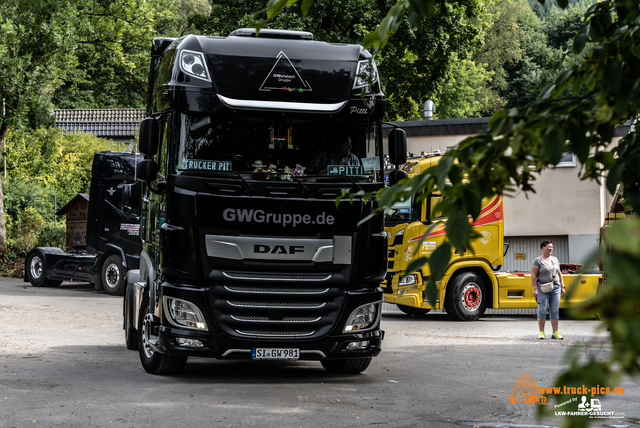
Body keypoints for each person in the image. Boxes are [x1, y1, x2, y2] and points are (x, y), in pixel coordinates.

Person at [531, 240, 565, 340]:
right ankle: (541, 332)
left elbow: (559, 274)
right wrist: (535, 289)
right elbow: (533, 276)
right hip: (543, 287)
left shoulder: (555, 259)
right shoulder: (538, 260)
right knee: (542, 309)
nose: (551, 249)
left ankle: (555, 332)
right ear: (543, 248)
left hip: (556, 287)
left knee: (554, 310)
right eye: (548, 247)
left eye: (551, 247)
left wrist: (562, 286)